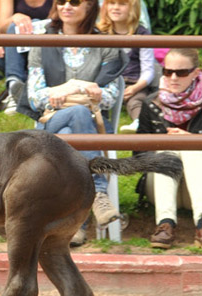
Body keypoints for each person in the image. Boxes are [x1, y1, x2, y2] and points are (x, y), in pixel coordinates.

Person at [17, 0, 127, 246]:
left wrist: (63, 91)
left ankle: (73, 225)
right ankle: (98, 192)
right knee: (77, 113)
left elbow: (109, 98)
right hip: (50, 122)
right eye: (61, 1)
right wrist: (78, 87)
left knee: (73, 126)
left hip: (91, 125)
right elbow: (35, 97)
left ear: (89, 8)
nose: (67, 6)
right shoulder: (42, 41)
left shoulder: (105, 44)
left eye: (75, 2)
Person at [137, 48, 202, 249]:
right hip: (161, 185)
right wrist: (162, 144)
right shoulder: (151, 103)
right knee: (168, 149)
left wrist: (193, 140)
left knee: (191, 148)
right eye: (167, 71)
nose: (173, 77)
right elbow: (138, 154)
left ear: (195, 73)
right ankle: (165, 224)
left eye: (181, 72)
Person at [97, 0, 154, 134]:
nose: (116, 8)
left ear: (133, 8)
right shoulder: (99, 32)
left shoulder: (142, 33)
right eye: (112, 3)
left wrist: (135, 88)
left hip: (132, 82)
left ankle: (138, 121)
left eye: (122, 4)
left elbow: (148, 69)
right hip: (105, 81)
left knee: (137, 100)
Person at [0, 0, 53, 115]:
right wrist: (14, 18)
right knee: (13, 27)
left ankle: (20, 90)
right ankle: (13, 88)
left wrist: (33, 26)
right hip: (12, 54)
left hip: (45, 50)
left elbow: (58, 23)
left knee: (36, 23)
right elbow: (1, 27)